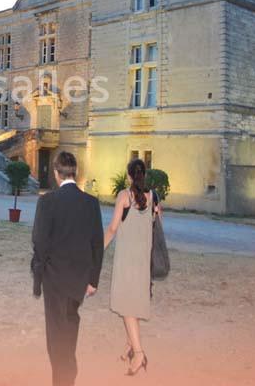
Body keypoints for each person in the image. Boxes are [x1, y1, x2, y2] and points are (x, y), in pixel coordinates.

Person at [31, 151, 104, 386]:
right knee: (71, 323)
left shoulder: (47, 201)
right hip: (78, 278)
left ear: (56, 173)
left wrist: (39, 271)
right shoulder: (91, 203)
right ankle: (68, 373)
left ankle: (62, 378)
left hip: (54, 278)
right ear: (75, 172)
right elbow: (97, 244)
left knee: (55, 332)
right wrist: (93, 279)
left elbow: (39, 241)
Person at [103, 158, 158, 377]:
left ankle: (139, 353)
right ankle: (129, 345)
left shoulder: (124, 197)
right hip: (143, 259)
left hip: (127, 260)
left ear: (128, 176)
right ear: (144, 174)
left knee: (126, 306)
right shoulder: (151, 196)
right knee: (133, 302)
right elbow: (153, 218)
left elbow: (113, 228)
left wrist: (98, 250)